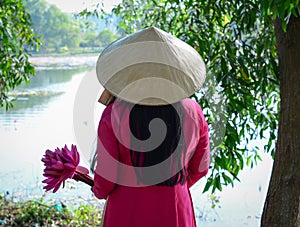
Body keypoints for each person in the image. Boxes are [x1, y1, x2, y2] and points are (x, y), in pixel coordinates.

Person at [92, 27, 210, 227]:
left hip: (126, 212)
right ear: (174, 70)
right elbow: (201, 168)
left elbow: (105, 182)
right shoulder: (193, 110)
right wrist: (172, 185)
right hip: (175, 210)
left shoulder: (114, 114)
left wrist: (97, 189)